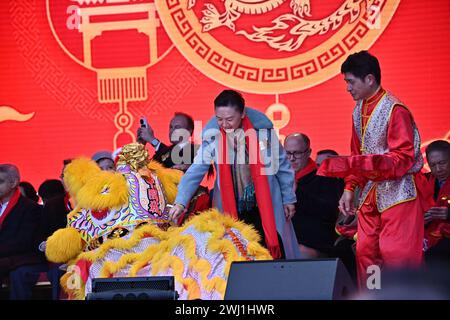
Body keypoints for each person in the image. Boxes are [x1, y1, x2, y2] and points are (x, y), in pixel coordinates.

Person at [318, 51, 426, 288]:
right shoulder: (358, 110)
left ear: (369, 79)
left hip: (399, 193)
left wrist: (361, 163)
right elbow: (357, 153)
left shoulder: (395, 110)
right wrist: (349, 187)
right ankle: (375, 295)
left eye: (350, 82)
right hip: (370, 194)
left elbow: (403, 159)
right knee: (367, 253)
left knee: (395, 253)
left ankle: (399, 296)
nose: (347, 88)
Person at [168, 89, 300, 259]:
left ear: (242, 113)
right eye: (219, 119)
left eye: (230, 119)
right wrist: (180, 202)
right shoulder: (212, 136)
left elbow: (282, 166)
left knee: (270, 250)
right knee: (236, 253)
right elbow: (195, 170)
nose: (224, 124)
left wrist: (288, 198)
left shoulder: (263, 132)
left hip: (265, 203)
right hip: (231, 208)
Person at [284, 133, 344, 258]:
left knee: (300, 254)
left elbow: (329, 211)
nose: (292, 158)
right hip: (285, 239)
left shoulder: (326, 177)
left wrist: (296, 194)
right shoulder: (279, 179)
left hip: (315, 241)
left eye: (297, 153)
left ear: (308, 152)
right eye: (287, 153)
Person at [0, 164, 44, 299]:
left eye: (0, 182)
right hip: (5, 259)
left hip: (22, 259)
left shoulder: (30, 208)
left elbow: (24, 242)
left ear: (14, 183)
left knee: (18, 274)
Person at [423, 140, 450, 260]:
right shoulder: (425, 181)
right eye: (433, 165)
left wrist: (449, 214)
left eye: (442, 163)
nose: (438, 169)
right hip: (428, 233)